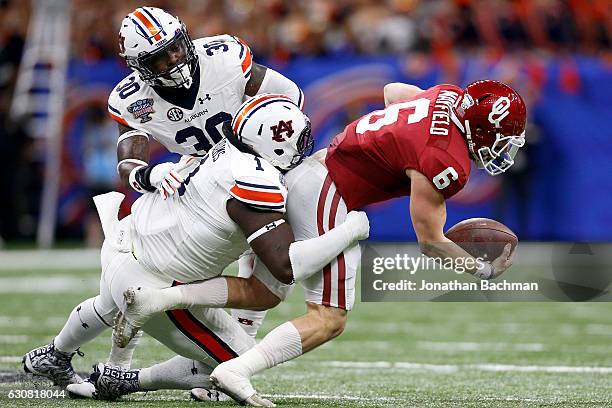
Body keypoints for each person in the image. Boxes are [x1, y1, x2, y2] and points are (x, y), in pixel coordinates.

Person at [106, 79, 526, 406]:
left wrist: (411, 132)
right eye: (502, 138)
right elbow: (430, 241)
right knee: (329, 318)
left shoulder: (448, 97)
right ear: (481, 128)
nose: (501, 149)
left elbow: (394, 92)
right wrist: (481, 269)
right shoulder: (446, 158)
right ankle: (237, 372)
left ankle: (163, 299)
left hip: (306, 171)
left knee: (262, 294)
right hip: (330, 193)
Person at [22, 5, 304, 392]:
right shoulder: (132, 98)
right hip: (204, 184)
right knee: (254, 266)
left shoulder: (223, 57)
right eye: (159, 56)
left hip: (241, 170)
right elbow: (129, 162)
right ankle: (129, 374)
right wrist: (149, 173)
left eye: (174, 47)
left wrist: (263, 137)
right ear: (139, 66)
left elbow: (287, 96)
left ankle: (56, 354)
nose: (173, 59)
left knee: (126, 287)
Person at [23, 97, 369, 407]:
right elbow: (285, 266)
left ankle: (55, 353)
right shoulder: (258, 180)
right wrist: (350, 230)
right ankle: (125, 379)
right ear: (273, 147)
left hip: (125, 241)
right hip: (155, 280)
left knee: (107, 302)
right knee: (239, 361)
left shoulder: (220, 147)